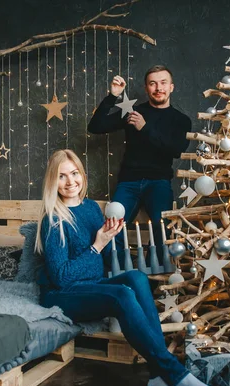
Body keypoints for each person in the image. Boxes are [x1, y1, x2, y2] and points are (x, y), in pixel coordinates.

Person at [35, 149, 230, 386]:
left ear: (82, 175)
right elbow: (61, 277)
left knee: (137, 277)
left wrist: (112, 234)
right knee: (121, 295)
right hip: (62, 295)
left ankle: (159, 378)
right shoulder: (53, 218)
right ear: (52, 182)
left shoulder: (92, 208)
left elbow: (104, 259)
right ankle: (177, 377)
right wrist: (97, 244)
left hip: (91, 285)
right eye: (62, 176)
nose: (71, 182)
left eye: (74, 173)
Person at [88, 65, 192, 256]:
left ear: (171, 87)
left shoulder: (181, 120)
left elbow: (176, 149)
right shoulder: (132, 112)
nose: (158, 88)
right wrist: (113, 96)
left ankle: (161, 279)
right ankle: (115, 273)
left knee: (163, 233)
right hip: (128, 182)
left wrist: (144, 128)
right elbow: (95, 127)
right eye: (153, 83)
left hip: (159, 182)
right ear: (146, 88)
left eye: (163, 83)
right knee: (112, 228)